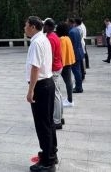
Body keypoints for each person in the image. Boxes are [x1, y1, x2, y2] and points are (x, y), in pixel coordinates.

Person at [25, 16, 57, 171]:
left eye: (26, 25)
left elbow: (35, 68)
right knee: (48, 122)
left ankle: (47, 162)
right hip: (48, 83)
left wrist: (31, 90)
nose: (24, 28)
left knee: (42, 125)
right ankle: (51, 153)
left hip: (41, 86)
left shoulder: (37, 42)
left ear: (32, 27)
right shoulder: (44, 39)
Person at [44, 18, 64, 129]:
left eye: (44, 25)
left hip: (54, 68)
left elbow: (49, 56)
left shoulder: (50, 38)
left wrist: (47, 70)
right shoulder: (54, 36)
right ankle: (60, 116)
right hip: (58, 66)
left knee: (55, 94)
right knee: (58, 93)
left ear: (48, 27)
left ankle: (57, 121)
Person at [55, 22, 76, 108]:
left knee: (67, 82)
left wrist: (60, 65)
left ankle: (70, 100)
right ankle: (69, 99)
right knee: (68, 81)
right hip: (69, 61)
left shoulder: (61, 40)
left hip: (64, 63)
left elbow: (62, 53)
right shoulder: (67, 38)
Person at [68, 18, 84, 93]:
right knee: (78, 71)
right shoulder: (76, 30)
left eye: (67, 22)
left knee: (76, 71)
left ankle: (78, 87)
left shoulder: (71, 32)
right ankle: (79, 86)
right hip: (79, 52)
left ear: (70, 23)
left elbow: (71, 45)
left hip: (75, 54)